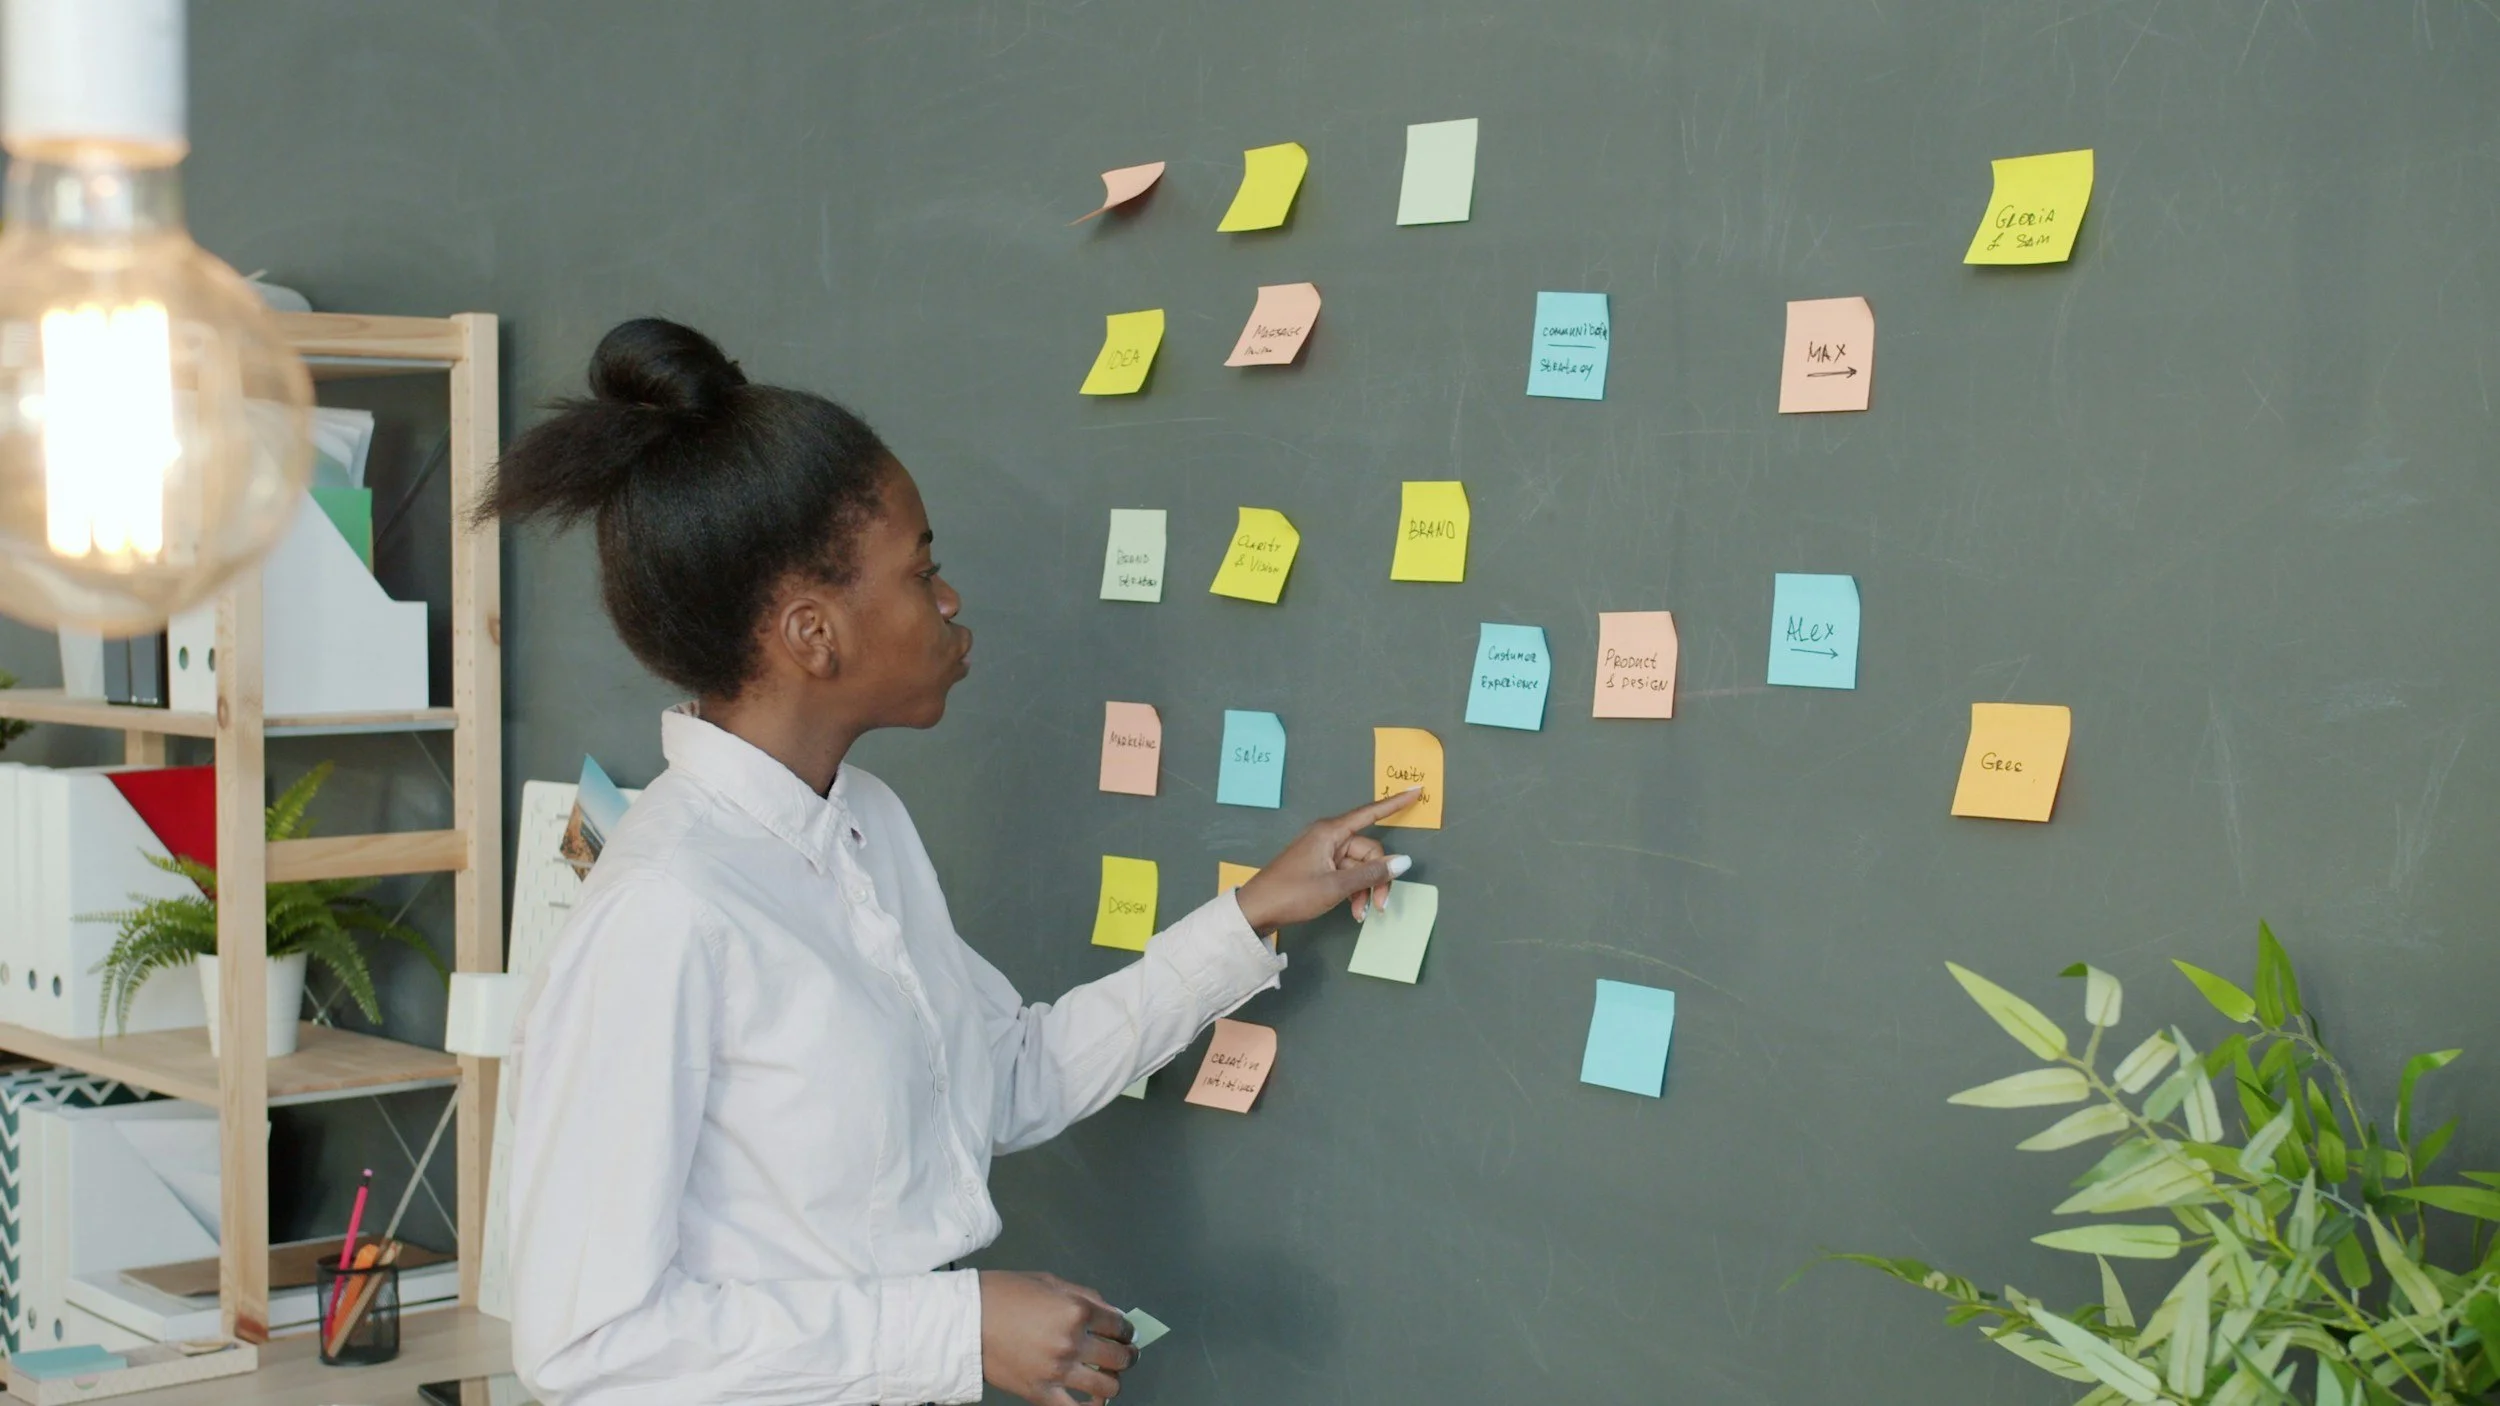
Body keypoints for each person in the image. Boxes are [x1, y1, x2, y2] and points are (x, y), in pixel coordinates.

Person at [487, 318, 1419, 1406]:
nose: (949, 600)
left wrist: (1253, 911)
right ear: (810, 632)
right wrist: (953, 1326)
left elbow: (1000, 1079)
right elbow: (583, 1340)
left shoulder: (862, 826)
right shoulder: (666, 907)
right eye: (920, 569)